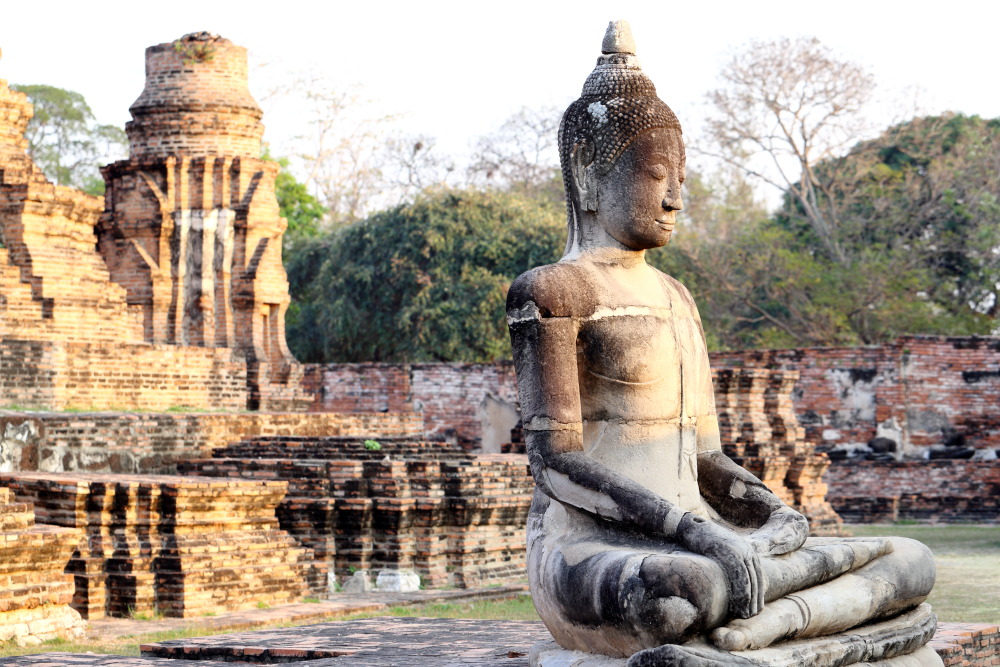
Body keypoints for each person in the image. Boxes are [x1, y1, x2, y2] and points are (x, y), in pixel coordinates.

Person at [507, 21, 938, 666]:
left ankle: (758, 648)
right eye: (657, 174)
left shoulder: (677, 297)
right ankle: (788, 639)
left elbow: (705, 457)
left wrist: (773, 511)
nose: (675, 196)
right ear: (590, 175)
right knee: (681, 594)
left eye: (681, 176)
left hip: (707, 536)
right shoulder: (552, 292)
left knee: (909, 560)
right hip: (593, 550)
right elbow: (557, 464)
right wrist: (697, 535)